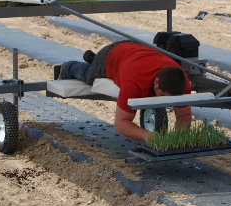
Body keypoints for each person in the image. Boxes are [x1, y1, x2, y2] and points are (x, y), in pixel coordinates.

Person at [56, 41, 192, 142]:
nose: (164, 102)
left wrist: (178, 139)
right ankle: (69, 67)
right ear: (156, 82)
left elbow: (184, 115)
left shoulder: (183, 82)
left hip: (135, 53)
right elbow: (121, 123)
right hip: (112, 54)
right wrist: (151, 137)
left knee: (96, 67)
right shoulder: (134, 82)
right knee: (88, 76)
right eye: (162, 95)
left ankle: (93, 59)